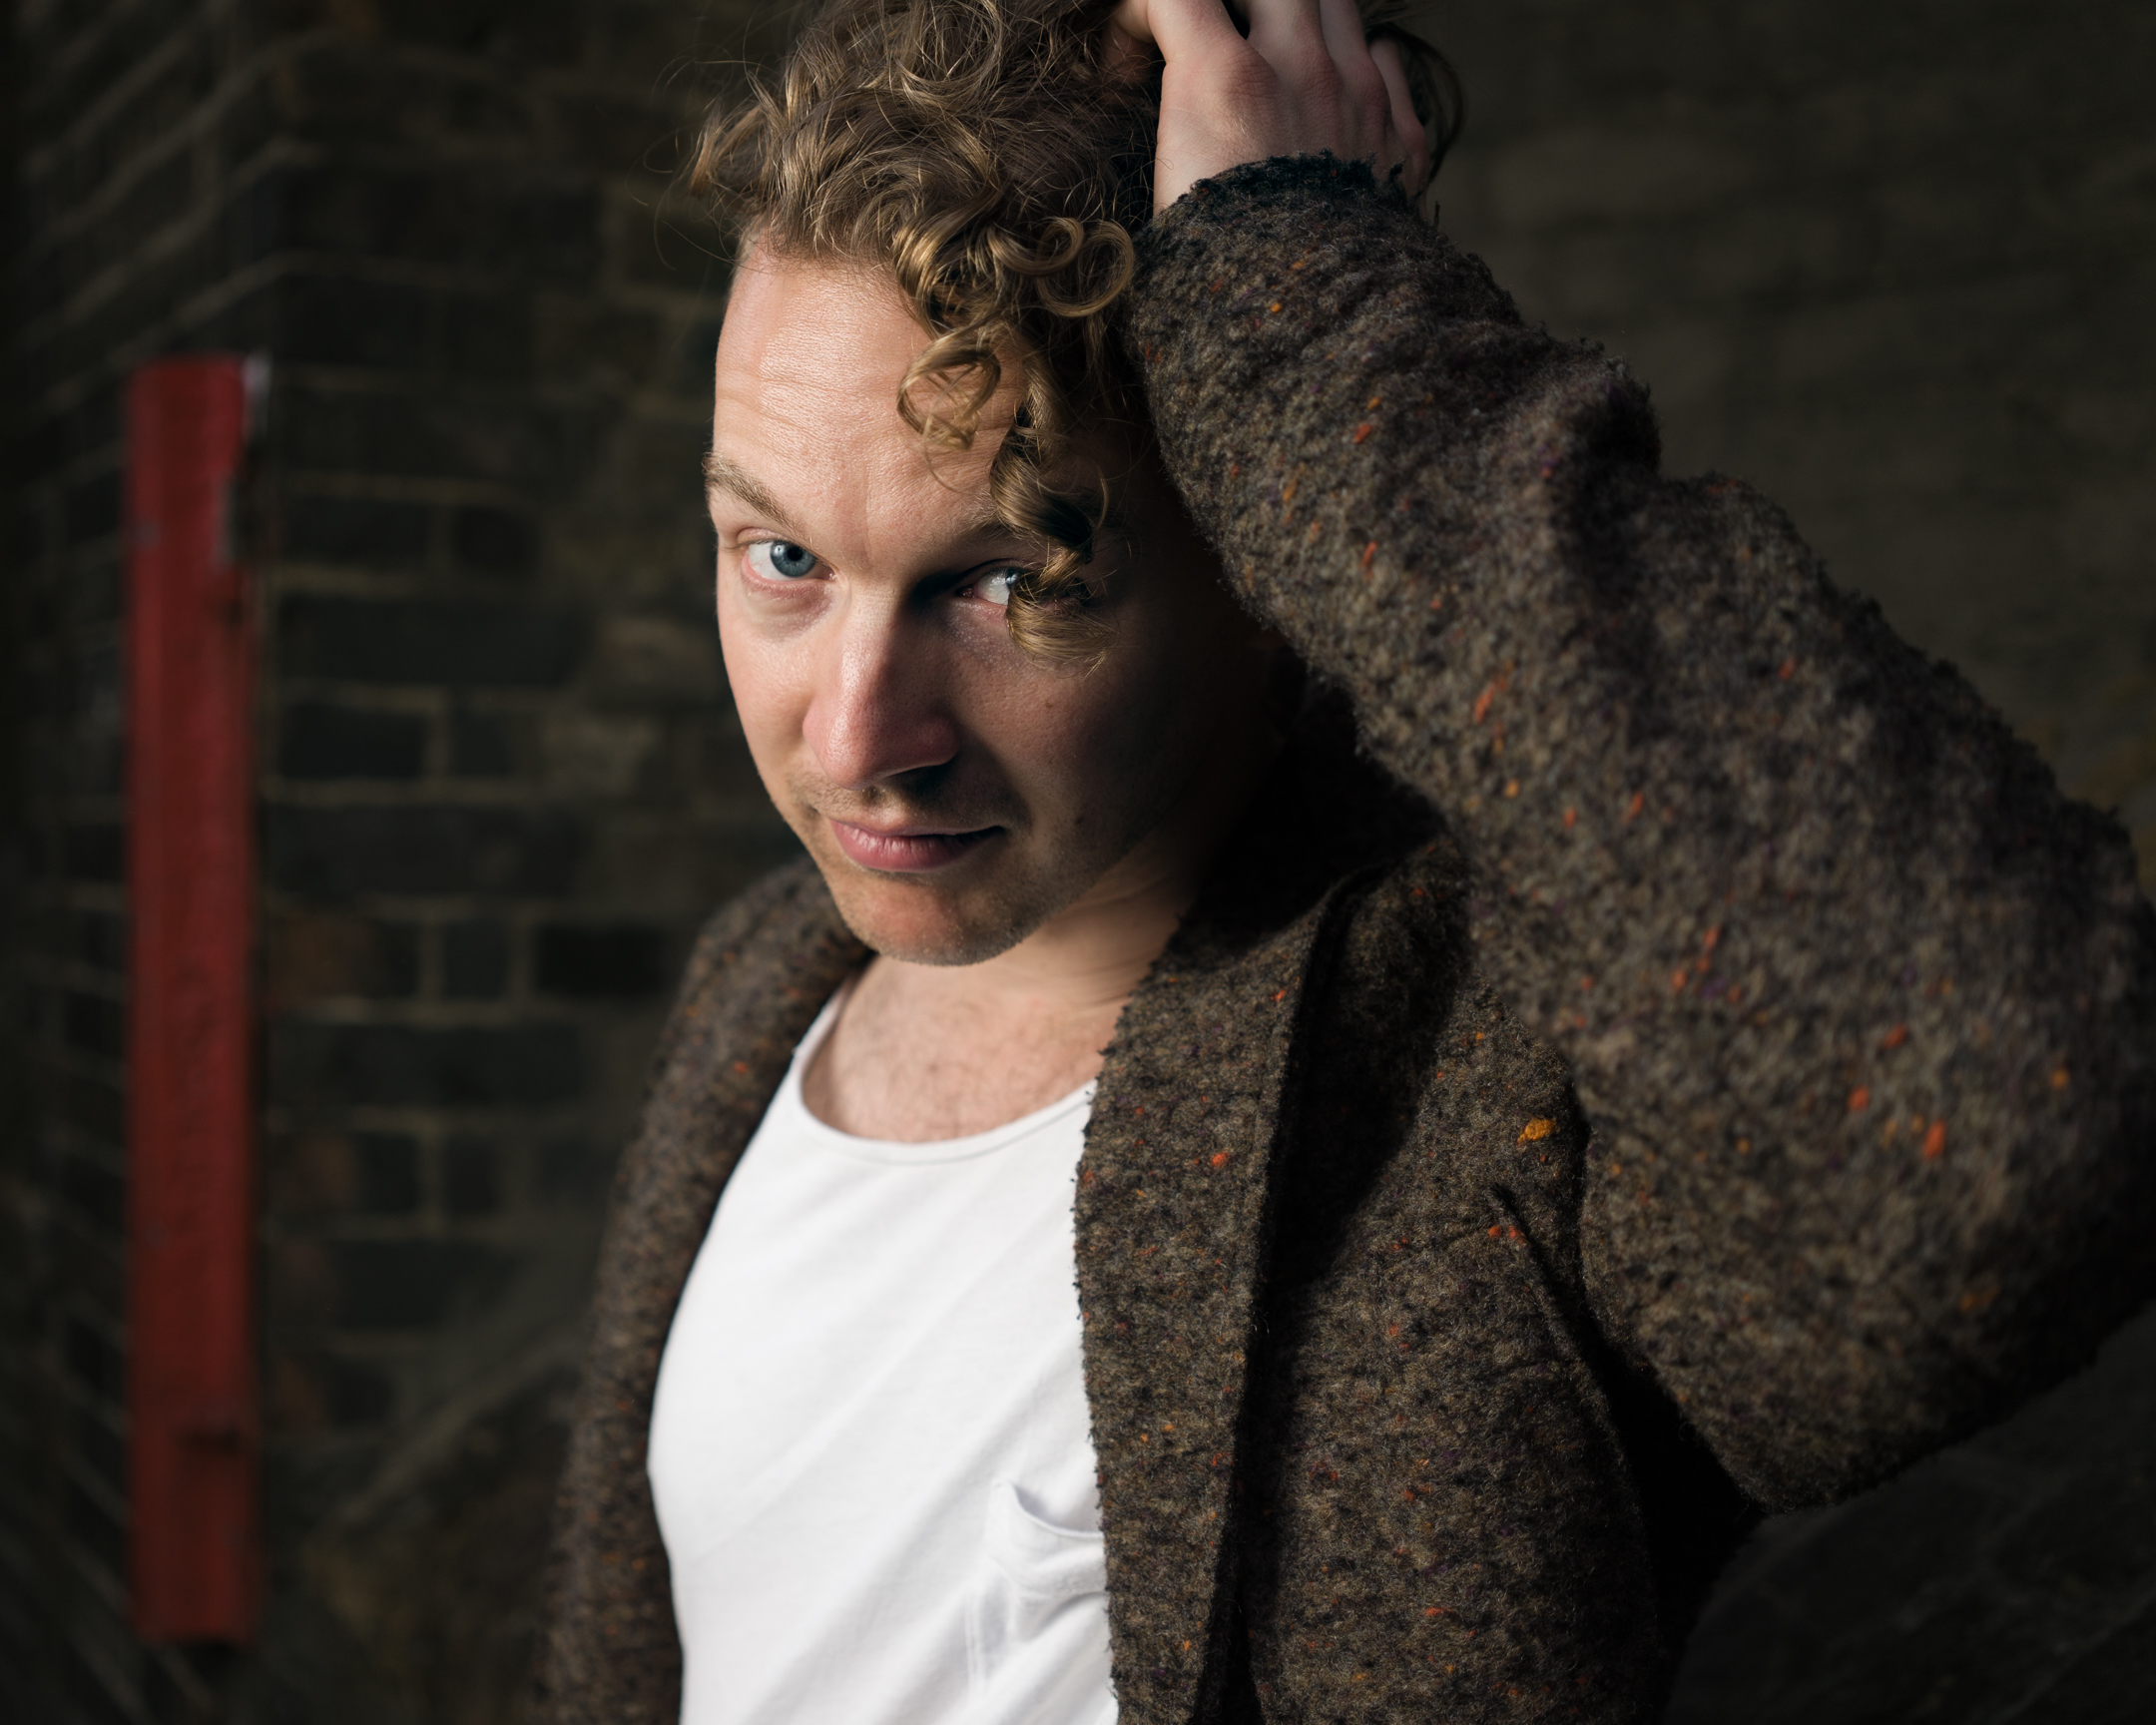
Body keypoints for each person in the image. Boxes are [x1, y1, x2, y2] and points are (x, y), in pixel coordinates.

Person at [537, 2, 2156, 1721]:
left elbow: (2008, 1139)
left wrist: (1308, 301)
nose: (856, 736)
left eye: (1012, 580)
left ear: (1269, 535)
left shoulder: (1489, 1077)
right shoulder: (760, 991)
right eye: (779, 555)